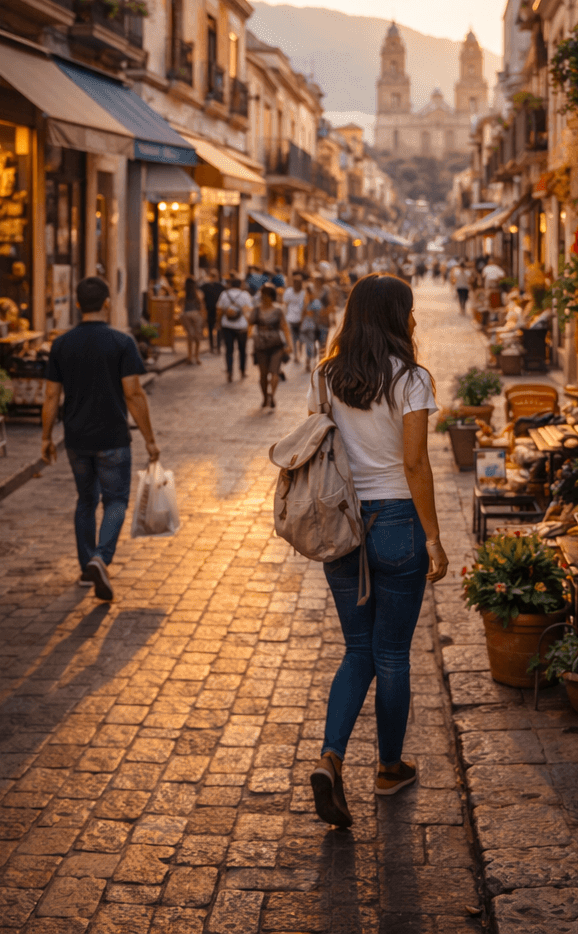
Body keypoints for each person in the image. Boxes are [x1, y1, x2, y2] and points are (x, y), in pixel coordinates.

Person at [305, 274, 449, 830]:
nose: (413, 319)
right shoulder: (412, 379)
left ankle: (331, 757)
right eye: (408, 310)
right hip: (396, 523)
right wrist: (433, 537)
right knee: (391, 654)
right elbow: (414, 464)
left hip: (342, 521)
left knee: (356, 650)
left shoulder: (326, 375)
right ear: (395, 316)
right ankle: (389, 768)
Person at [40, 277, 159, 603]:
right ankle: (101, 558)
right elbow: (133, 394)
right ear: (107, 302)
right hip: (113, 437)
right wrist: (150, 439)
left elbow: (51, 396)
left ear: (78, 304)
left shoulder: (61, 344)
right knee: (116, 500)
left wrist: (46, 437)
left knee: (85, 500)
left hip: (76, 438)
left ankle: (86, 568)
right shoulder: (121, 342)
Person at [250, 285, 293, 409]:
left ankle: (271, 396)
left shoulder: (277, 310)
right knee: (263, 375)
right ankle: (265, 397)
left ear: (271, 297)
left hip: (276, 345)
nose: (263, 298)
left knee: (274, 372)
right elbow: (250, 324)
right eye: (263, 295)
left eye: (266, 295)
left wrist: (289, 344)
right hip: (261, 346)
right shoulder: (257, 310)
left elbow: (285, 327)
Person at [216, 279, 254, 382]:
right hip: (242, 326)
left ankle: (230, 372)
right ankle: (242, 371)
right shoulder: (245, 295)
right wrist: (250, 325)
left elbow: (219, 310)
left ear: (230, 284)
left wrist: (218, 322)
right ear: (240, 285)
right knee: (242, 350)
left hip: (227, 325)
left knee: (229, 350)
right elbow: (249, 310)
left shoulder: (224, 294)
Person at [282, 278, 307, 366]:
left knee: (301, 339)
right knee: (294, 338)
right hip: (291, 319)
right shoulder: (289, 292)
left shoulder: (304, 293)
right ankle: (296, 355)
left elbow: (305, 305)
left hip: (301, 319)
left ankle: (299, 353)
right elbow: (285, 304)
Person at [200, 271, 226, 353]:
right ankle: (216, 347)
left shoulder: (206, 286)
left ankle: (214, 347)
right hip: (216, 310)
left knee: (213, 328)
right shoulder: (220, 286)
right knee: (216, 328)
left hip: (212, 309)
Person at [181, 283, 205, 366]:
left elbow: (179, 304)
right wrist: (203, 318)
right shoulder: (198, 293)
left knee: (190, 336)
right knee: (197, 336)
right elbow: (202, 306)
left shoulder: (183, 294)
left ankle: (190, 356)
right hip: (196, 315)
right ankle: (197, 357)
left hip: (186, 315)